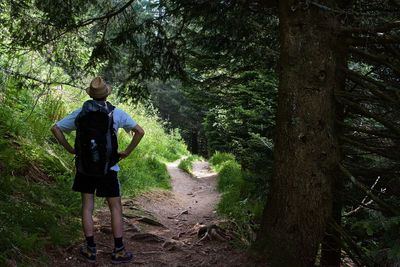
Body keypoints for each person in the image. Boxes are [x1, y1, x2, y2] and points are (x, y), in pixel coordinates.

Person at [51, 76, 144, 264]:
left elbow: (56, 129)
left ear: (91, 94)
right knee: (115, 207)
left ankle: (90, 249)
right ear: (107, 94)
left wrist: (70, 149)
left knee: (87, 207)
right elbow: (140, 131)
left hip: (84, 167)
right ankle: (118, 251)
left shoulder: (80, 113)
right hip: (109, 167)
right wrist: (126, 151)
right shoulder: (117, 114)